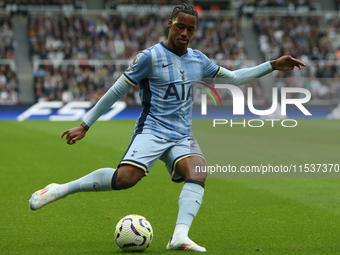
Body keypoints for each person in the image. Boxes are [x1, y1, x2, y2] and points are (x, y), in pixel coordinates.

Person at [29, 3, 305, 252]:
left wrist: (271, 65)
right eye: (181, 26)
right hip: (152, 129)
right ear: (170, 24)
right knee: (125, 180)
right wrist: (85, 124)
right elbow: (117, 90)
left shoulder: (198, 59)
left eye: (191, 29)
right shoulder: (149, 57)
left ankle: (179, 236)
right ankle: (61, 188)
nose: (185, 33)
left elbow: (233, 77)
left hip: (181, 134)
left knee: (198, 171)